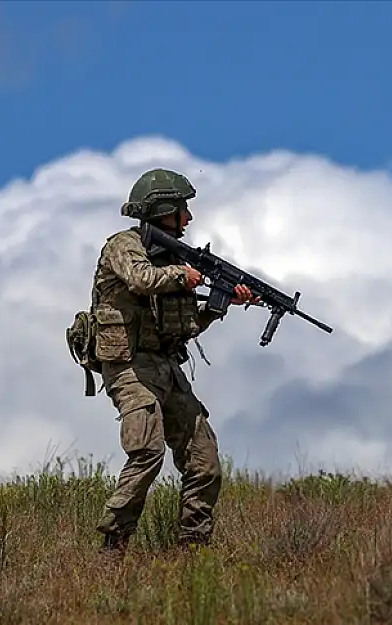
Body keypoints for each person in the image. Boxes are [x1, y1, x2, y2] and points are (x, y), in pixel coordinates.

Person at [87, 167, 258, 554]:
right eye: (182, 208)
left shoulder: (173, 262)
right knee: (147, 452)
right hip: (130, 368)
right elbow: (141, 279)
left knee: (205, 459)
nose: (189, 218)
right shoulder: (123, 245)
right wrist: (185, 274)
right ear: (162, 209)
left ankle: (193, 546)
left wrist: (221, 304)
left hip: (167, 368)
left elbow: (187, 327)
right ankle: (114, 545)